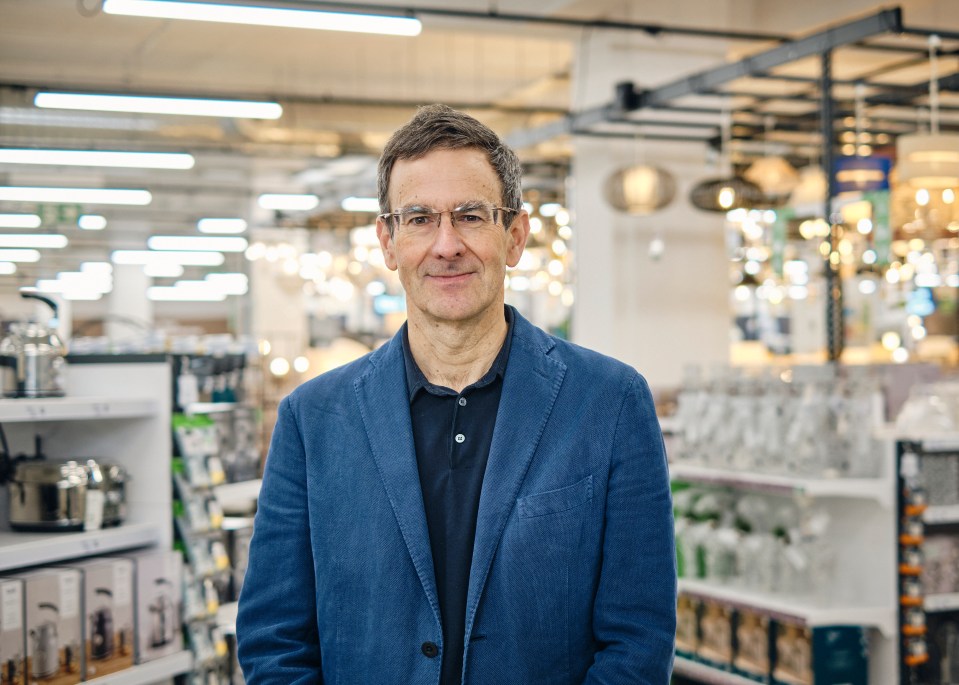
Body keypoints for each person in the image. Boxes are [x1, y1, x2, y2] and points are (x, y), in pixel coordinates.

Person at [236, 104, 677, 684]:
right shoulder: (313, 418)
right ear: (388, 242)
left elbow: (638, 641)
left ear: (514, 236)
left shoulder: (610, 402)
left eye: (470, 216)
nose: (446, 245)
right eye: (419, 218)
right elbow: (274, 641)